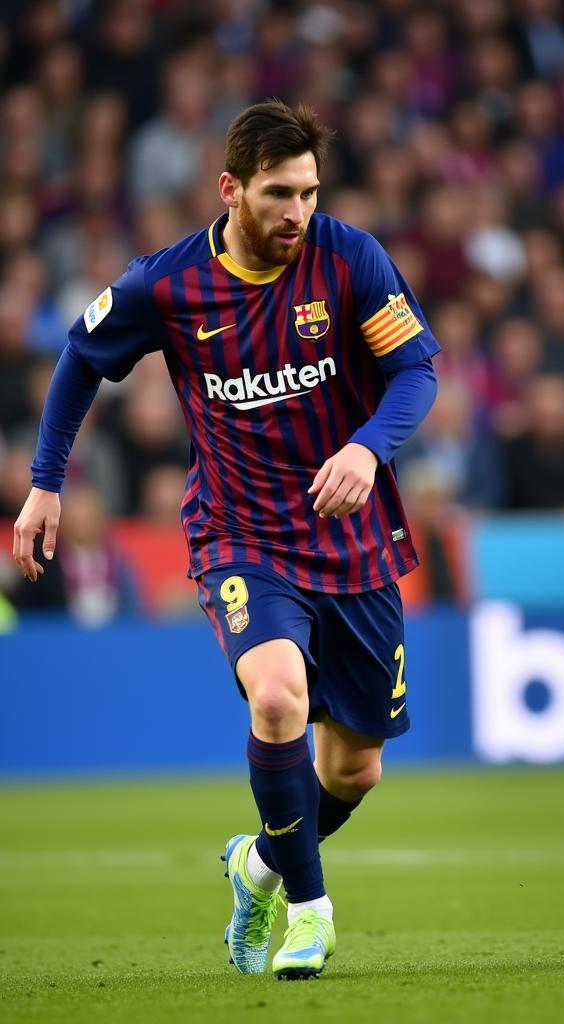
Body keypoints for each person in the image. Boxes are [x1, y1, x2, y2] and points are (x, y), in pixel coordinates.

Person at [11, 100, 440, 979]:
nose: (297, 213)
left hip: (351, 540)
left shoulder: (352, 257)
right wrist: (46, 483)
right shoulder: (164, 284)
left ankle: (259, 866)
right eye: (279, 194)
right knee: (277, 698)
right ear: (230, 188)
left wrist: (366, 447)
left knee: (355, 770)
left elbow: (415, 373)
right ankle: (310, 914)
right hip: (241, 535)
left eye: (310, 193)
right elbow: (80, 359)